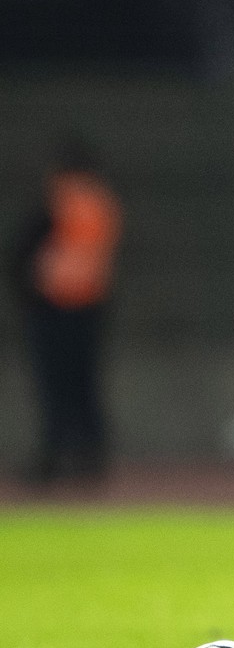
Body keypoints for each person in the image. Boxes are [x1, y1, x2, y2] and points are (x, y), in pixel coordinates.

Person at [9, 142, 123, 489]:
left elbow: (48, 263)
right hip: (80, 309)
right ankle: (82, 457)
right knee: (78, 388)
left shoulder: (72, 206)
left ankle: (66, 457)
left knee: (61, 389)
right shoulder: (99, 207)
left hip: (63, 309)